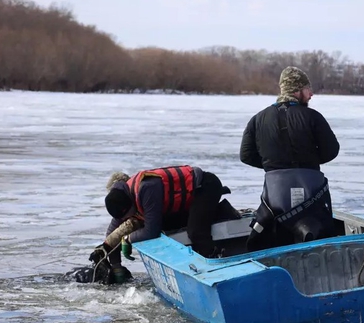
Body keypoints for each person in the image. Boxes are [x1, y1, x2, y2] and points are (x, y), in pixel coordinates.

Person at [239, 66, 340, 252]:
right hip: (312, 191)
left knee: (277, 231)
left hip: (275, 195)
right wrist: (309, 162)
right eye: (308, 89)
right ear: (297, 90)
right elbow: (332, 150)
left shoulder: (258, 119)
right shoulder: (313, 117)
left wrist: (273, 165)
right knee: (318, 229)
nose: (311, 94)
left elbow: (245, 155)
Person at [77, 165, 233, 284]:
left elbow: (152, 231)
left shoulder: (147, 189)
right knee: (171, 228)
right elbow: (113, 232)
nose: (131, 218)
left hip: (205, 187)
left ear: (130, 204)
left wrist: (128, 239)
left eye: (130, 214)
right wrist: (115, 264)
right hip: (187, 201)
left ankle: (217, 265)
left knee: (196, 232)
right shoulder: (121, 198)